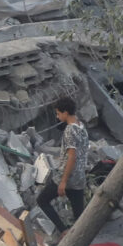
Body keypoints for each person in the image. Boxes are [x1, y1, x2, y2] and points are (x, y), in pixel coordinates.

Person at [32, 95, 91, 233]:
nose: (57, 117)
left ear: (65, 112)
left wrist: (63, 181)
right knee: (80, 217)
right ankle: (80, 239)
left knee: (42, 200)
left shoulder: (70, 130)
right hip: (79, 178)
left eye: (58, 113)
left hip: (67, 177)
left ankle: (63, 230)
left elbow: (72, 156)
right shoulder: (82, 127)